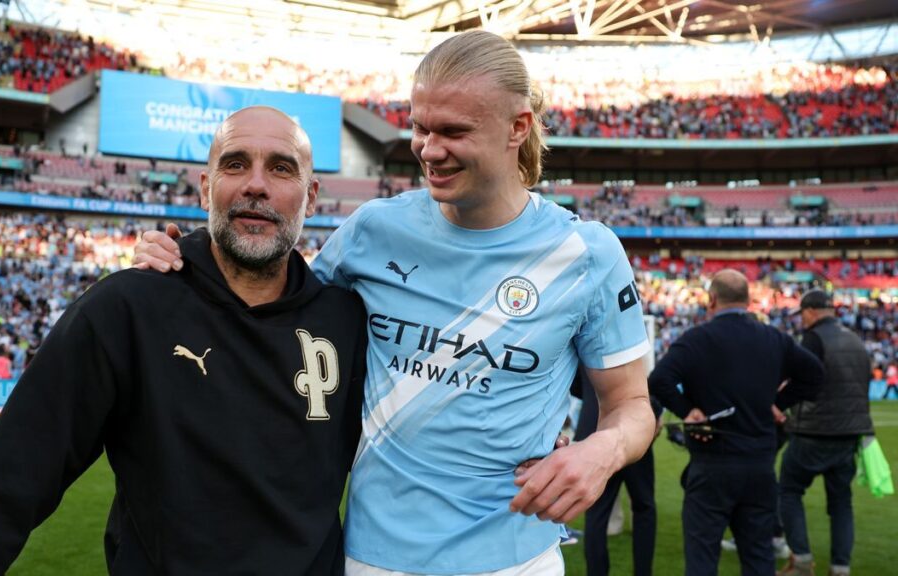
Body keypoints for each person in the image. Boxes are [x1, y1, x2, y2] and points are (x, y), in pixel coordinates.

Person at [134, 30, 656, 575]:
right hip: (372, 558)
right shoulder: (373, 231)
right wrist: (185, 258)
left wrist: (604, 451)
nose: (429, 150)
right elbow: (275, 309)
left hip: (515, 560)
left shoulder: (586, 255)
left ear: (517, 127)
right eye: (420, 128)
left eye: (454, 131)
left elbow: (631, 407)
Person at [0, 107, 369, 575]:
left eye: (281, 168)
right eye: (235, 164)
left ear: (311, 197)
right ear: (204, 188)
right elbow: (13, 479)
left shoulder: (347, 322)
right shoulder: (126, 308)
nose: (256, 184)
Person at [648, 269, 825, 576]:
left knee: (702, 558)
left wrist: (687, 410)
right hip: (759, 465)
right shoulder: (773, 338)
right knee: (758, 559)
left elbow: (659, 379)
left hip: (711, 464)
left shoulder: (696, 339)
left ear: (711, 299)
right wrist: (777, 404)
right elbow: (815, 375)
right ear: (748, 300)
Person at [777, 289, 874, 576]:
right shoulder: (855, 339)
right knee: (841, 502)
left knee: (789, 491)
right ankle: (840, 567)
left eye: (802, 314)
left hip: (813, 431)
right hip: (849, 434)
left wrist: (778, 404)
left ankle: (802, 562)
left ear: (810, 311)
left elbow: (801, 379)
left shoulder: (814, 338)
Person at [572, 365, 660, 576]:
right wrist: (654, 411)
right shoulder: (622, 338)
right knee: (643, 506)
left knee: (597, 513)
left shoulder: (581, 342)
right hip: (629, 428)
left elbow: (575, 385)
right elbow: (640, 386)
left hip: (595, 428)